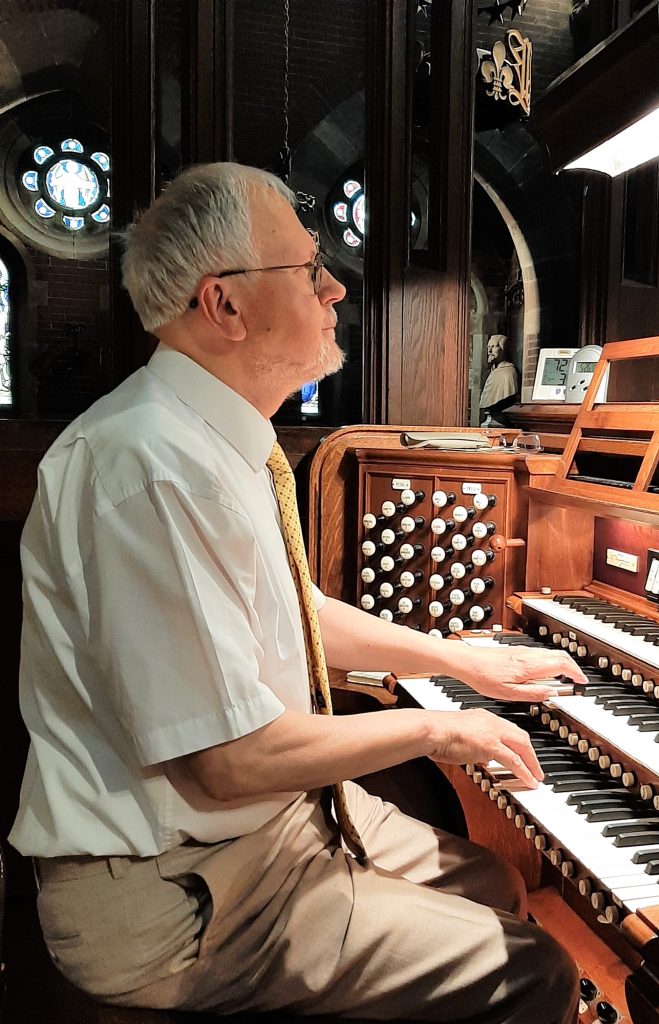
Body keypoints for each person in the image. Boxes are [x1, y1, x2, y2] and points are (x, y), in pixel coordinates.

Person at [10, 162, 584, 1023]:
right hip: (176, 895)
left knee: (497, 882)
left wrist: (460, 662)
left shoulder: (214, 438)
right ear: (226, 307)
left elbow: (295, 613)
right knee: (533, 973)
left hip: (263, 830)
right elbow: (228, 760)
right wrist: (437, 726)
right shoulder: (145, 468)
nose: (336, 287)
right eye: (309, 270)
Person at [479, 334, 519, 426]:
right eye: (488, 347)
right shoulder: (493, 373)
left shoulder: (509, 373)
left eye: (493, 347)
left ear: (503, 349)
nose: (489, 351)